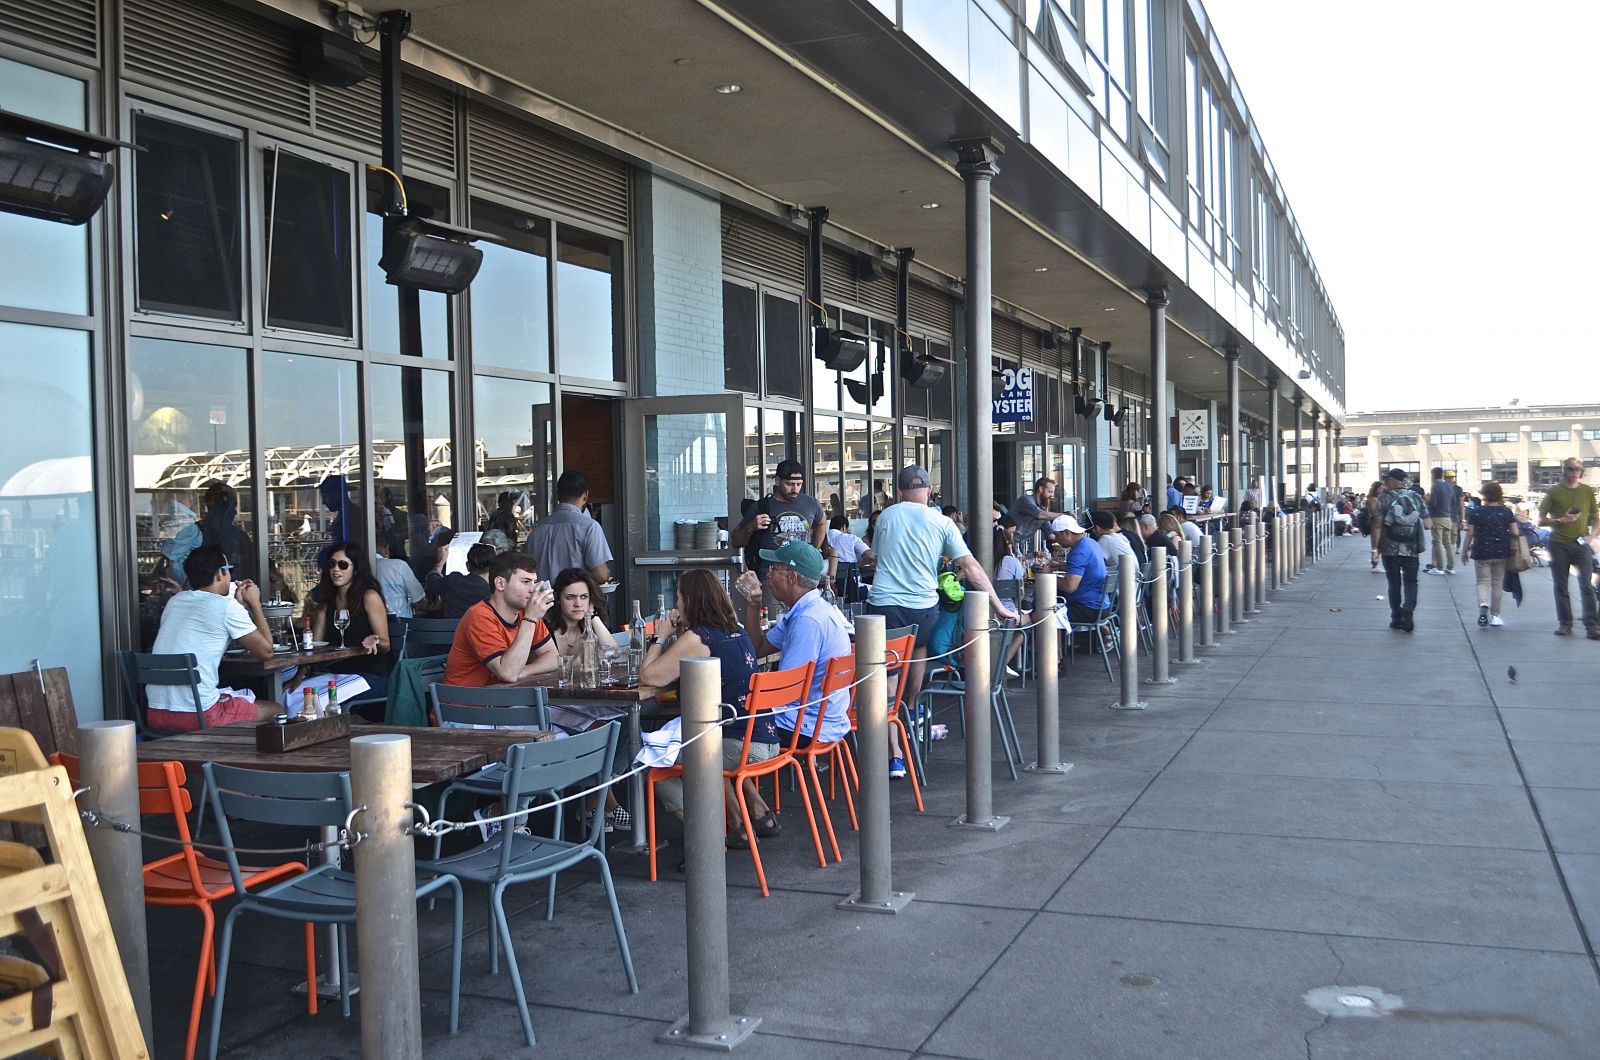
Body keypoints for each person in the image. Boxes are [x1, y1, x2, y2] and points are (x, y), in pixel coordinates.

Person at [865, 466, 1017, 776]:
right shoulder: (942, 521)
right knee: (918, 652)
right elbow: (970, 566)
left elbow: (877, 558)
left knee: (889, 678)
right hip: (924, 607)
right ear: (930, 489)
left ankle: (894, 753)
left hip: (887, 606)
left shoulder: (886, 517)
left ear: (898, 490)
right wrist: (998, 605)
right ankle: (913, 712)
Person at [644, 570, 771, 841]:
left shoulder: (698, 639)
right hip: (763, 737)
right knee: (704, 744)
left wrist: (660, 637)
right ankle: (740, 824)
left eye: (678, 598)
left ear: (689, 601)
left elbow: (650, 676)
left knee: (653, 759)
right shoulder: (734, 629)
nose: (676, 604)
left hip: (739, 744)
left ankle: (708, 835)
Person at [733, 540, 852, 764]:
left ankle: (743, 795)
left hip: (806, 725)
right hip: (824, 720)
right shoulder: (810, 609)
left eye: (774, 569)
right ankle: (746, 795)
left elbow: (787, 692)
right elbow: (758, 649)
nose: (768, 575)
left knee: (721, 723)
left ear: (791, 578)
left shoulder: (808, 620)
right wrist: (753, 604)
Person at [146, 545, 281, 731]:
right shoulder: (226, 608)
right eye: (229, 570)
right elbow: (266, 652)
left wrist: (237, 605)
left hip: (156, 714)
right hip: (200, 715)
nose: (231, 576)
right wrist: (255, 604)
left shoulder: (175, 601)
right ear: (220, 574)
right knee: (276, 710)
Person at [442, 552, 558, 686]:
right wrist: (531, 618)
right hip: (467, 703)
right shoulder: (479, 616)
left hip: (503, 700)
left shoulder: (527, 612)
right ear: (500, 584)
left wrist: (524, 671)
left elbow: (553, 657)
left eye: (535, 582)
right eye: (525, 582)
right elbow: (508, 673)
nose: (533, 589)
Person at [308, 541, 393, 712]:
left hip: (367, 675)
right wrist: (298, 678)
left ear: (355, 570)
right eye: (331, 564)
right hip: (334, 673)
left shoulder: (369, 596)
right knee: (290, 695)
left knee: (316, 702)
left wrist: (374, 640)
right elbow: (314, 647)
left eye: (343, 565)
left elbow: (386, 645)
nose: (336, 569)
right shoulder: (327, 602)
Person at [730, 459, 828, 606]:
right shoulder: (761, 507)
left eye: (798, 484)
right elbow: (735, 541)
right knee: (773, 624)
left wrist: (814, 548)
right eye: (789, 484)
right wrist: (751, 527)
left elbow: (821, 522)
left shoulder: (810, 503)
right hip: (771, 578)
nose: (795, 489)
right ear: (777, 481)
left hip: (802, 578)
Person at [1537, 458, 1599, 639]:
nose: (1574, 472)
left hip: (1581, 545)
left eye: (1578, 469)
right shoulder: (1554, 491)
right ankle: (1565, 624)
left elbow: (1596, 517)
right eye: (1571, 469)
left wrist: (1591, 536)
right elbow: (1540, 520)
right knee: (1561, 586)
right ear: (1563, 470)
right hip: (1558, 544)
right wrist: (1560, 521)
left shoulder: (1587, 491)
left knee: (1586, 585)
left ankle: (1592, 626)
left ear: (1581, 472)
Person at [524, 470, 613, 584]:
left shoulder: (537, 530)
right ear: (585, 496)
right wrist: (607, 574)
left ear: (557, 495)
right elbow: (601, 575)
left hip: (543, 599)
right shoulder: (589, 527)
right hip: (576, 599)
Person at [1371, 468, 1432, 632]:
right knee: (1411, 581)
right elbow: (1428, 524)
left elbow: (1377, 525)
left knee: (1394, 583)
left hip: (1389, 549)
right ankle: (1409, 608)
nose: (1384, 483)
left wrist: (1374, 549)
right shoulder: (1416, 497)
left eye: (1386, 480)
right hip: (1411, 548)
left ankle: (1396, 618)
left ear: (1394, 481)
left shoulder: (1384, 498)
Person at [1460, 481, 1519, 628]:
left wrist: (1464, 551)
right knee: (1497, 583)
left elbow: (1470, 534)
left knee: (1482, 582)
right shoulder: (1506, 512)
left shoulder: (1476, 512)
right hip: (1501, 551)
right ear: (1499, 495)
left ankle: (1483, 604)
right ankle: (1495, 616)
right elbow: (1515, 532)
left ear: (1484, 495)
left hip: (1481, 551)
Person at [547, 567, 618, 657]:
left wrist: (592, 615)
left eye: (584, 597)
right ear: (558, 599)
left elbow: (613, 653)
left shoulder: (589, 629)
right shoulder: (547, 631)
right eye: (570, 597)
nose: (578, 604)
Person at [1053, 516, 1109, 623]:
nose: (1056, 539)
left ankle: (1058, 640)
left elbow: (1070, 587)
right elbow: (1084, 567)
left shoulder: (1080, 551)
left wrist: (1047, 577)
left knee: (1044, 614)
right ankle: (1105, 631)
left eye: (1057, 535)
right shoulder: (1091, 543)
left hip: (1088, 609)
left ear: (1066, 533)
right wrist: (1058, 566)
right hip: (1102, 605)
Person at [426, 541, 496, 620]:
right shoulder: (494, 593)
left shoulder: (453, 581)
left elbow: (432, 583)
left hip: (451, 632)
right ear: (493, 568)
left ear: (467, 566)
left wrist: (440, 562)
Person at [374, 536, 425, 618]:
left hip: (370, 624)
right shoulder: (399, 565)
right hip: (401, 625)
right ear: (386, 549)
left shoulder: (362, 567)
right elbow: (418, 599)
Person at [1010, 477, 1063, 553]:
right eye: (1050, 492)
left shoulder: (1043, 510)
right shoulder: (1025, 500)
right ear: (1041, 489)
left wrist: (1071, 538)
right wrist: (1064, 515)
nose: (1052, 495)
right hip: (1006, 543)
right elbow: (1039, 515)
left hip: (1020, 547)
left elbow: (1050, 535)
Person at [1426, 467, 1461, 576]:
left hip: (1437, 517)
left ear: (1433, 475)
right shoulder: (1449, 486)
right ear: (1442, 475)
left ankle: (1439, 568)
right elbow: (1454, 501)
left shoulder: (1435, 486)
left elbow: (1433, 503)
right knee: (1448, 543)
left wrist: (1427, 500)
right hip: (1448, 517)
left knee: (1437, 542)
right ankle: (1450, 567)